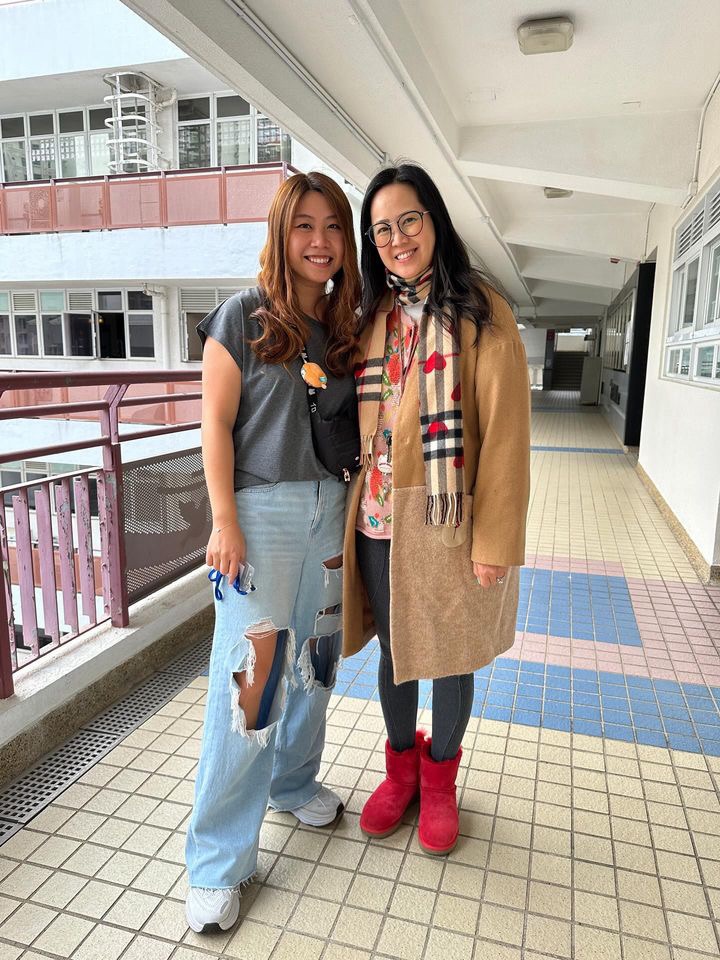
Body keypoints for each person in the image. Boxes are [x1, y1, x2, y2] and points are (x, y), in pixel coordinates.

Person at [185, 171, 361, 933]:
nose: (320, 241)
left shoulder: (346, 328)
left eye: (333, 226)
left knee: (317, 662)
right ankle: (218, 862)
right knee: (252, 681)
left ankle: (293, 784)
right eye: (304, 226)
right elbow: (214, 424)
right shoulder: (243, 315)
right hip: (262, 516)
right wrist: (224, 520)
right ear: (281, 235)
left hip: (332, 515)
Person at [342, 163, 530, 856]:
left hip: (448, 521)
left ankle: (441, 780)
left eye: (409, 220)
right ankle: (401, 769)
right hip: (376, 521)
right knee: (396, 652)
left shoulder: (482, 309)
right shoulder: (371, 315)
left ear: (435, 221)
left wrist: (495, 543)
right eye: (381, 229)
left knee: (451, 656)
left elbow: (506, 434)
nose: (397, 239)